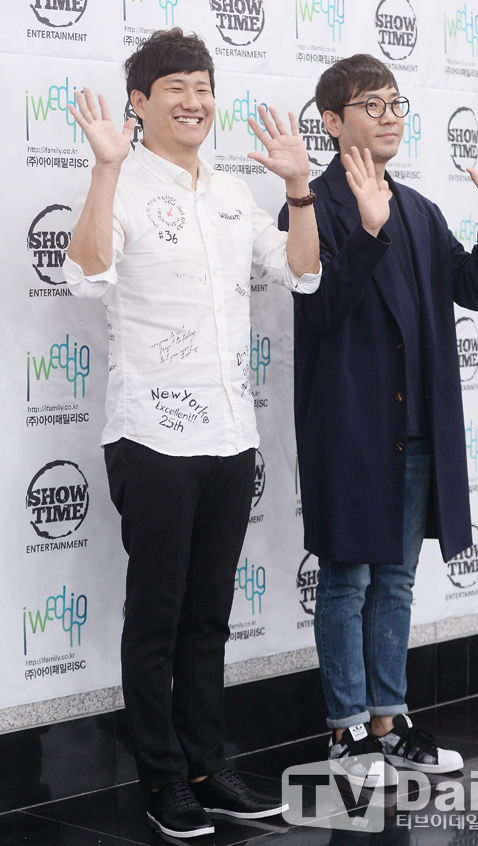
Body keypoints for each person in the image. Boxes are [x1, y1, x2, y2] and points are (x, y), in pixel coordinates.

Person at [64, 27, 322, 840]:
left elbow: (303, 271)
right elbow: (86, 274)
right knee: (158, 618)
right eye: (175, 87)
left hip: (229, 435)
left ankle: (209, 768)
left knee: (209, 617)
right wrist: (104, 168)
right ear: (139, 104)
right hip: (151, 438)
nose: (194, 101)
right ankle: (162, 780)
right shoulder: (121, 182)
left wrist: (300, 190)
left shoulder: (230, 192)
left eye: (203, 87)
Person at [279, 54, 478, 784]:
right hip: (349, 430)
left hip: (416, 432)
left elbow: (475, 288)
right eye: (371, 104)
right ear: (331, 121)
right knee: (346, 580)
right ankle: (346, 732)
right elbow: (322, 307)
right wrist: (367, 231)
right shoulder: (311, 204)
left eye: (395, 103)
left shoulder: (419, 207)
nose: (389, 116)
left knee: (396, 581)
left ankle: (389, 720)